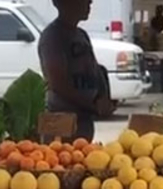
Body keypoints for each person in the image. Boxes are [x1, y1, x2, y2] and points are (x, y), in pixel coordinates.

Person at [39, 0, 115, 141]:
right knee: (62, 159)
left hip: (83, 119)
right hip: (61, 121)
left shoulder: (81, 35)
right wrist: (93, 106)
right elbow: (58, 84)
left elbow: (96, 70)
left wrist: (103, 97)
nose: (90, 3)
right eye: (85, 0)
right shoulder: (52, 36)